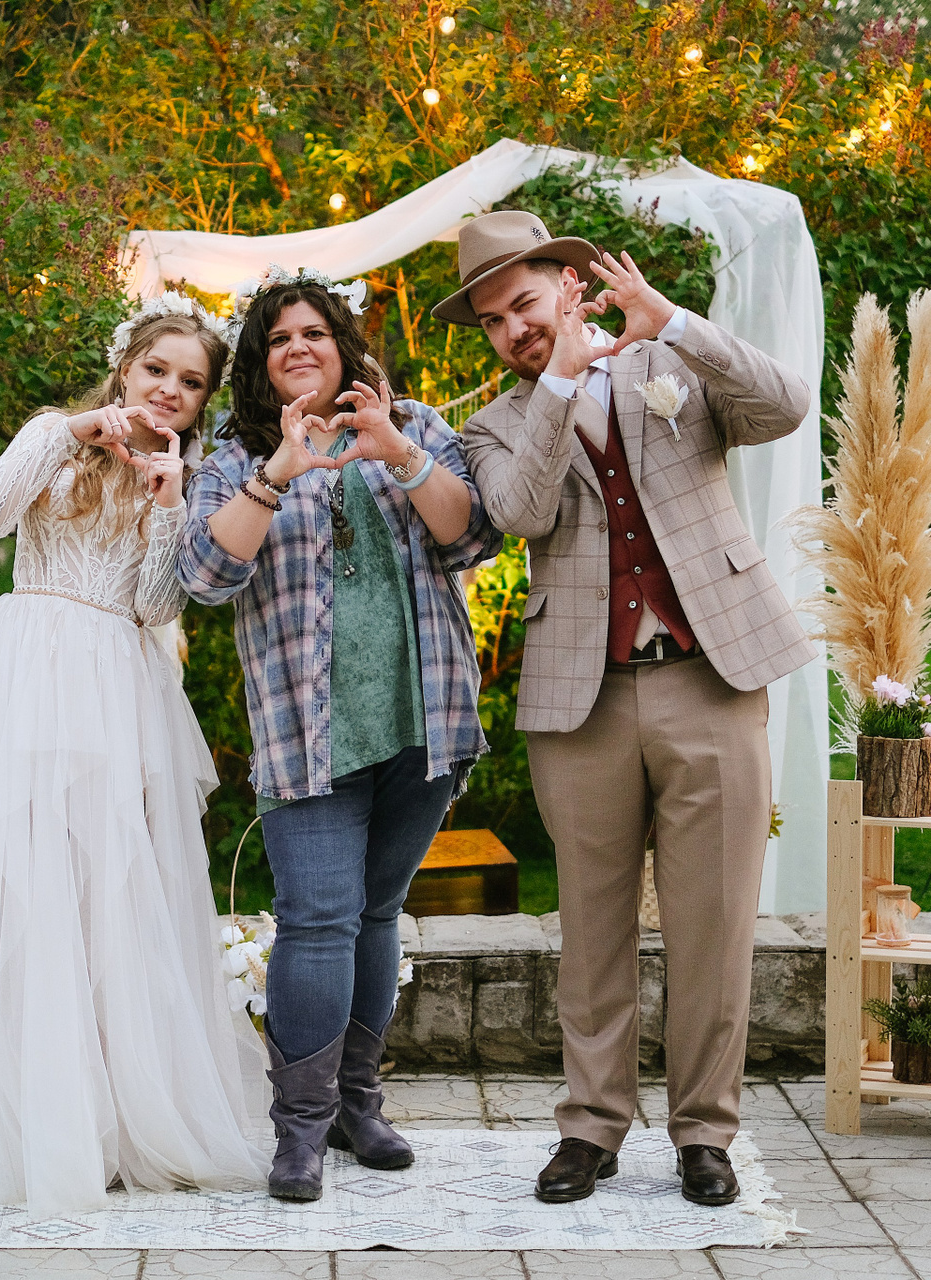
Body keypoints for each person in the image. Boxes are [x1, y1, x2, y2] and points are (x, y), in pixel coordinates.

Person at [442, 211, 816, 1207]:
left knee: (714, 926)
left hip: (712, 675)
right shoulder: (494, 425)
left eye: (523, 304)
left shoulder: (673, 362)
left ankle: (705, 1131)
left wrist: (676, 321)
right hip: (584, 700)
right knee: (591, 928)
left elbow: (786, 404)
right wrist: (558, 384)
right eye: (492, 322)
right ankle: (591, 1127)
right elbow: (520, 510)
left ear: (571, 285)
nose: (512, 331)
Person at [0, 295, 271, 1218]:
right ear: (125, 367)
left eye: (191, 382)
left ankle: (119, 1118)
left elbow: (156, 606)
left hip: (117, 688)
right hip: (30, 677)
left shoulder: (180, 479)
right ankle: (44, 1125)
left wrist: (166, 503)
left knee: (112, 896)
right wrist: (69, 430)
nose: (170, 390)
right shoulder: (56, 438)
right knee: (30, 894)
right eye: (158, 370)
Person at [177, 266, 500, 1202]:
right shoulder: (235, 460)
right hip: (304, 731)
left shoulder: (417, 426)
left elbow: (471, 537)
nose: (299, 348)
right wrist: (279, 472)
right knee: (317, 917)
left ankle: (359, 1105)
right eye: (280, 339)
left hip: (422, 719)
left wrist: (398, 453)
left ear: (343, 345)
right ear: (261, 363)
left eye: (314, 333)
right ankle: (302, 1130)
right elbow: (203, 577)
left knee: (376, 912)